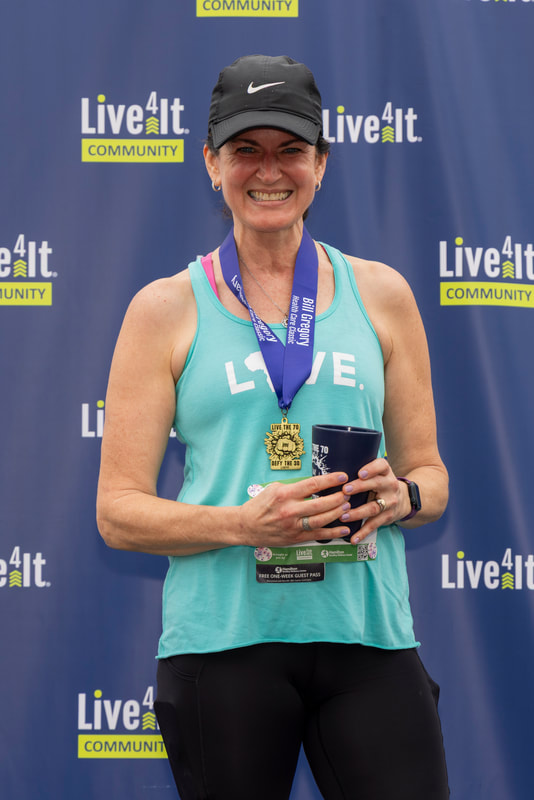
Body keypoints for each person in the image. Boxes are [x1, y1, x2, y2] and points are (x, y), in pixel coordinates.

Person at [97, 54, 450, 800]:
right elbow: (118, 513)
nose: (268, 170)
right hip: (224, 644)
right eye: (245, 149)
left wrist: (403, 497)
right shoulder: (163, 308)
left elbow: (431, 478)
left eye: (290, 149)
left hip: (366, 634)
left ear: (321, 164)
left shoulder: (382, 294)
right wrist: (242, 524)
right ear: (211, 163)